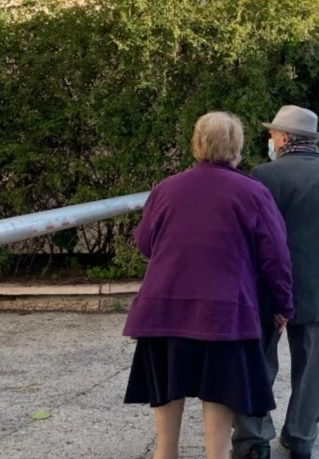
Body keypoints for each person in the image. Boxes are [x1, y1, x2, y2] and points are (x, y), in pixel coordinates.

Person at [123, 112, 294, 459]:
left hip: (164, 307)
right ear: (237, 147)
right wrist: (282, 305)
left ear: (196, 144)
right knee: (219, 394)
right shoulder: (253, 193)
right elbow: (275, 257)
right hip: (225, 314)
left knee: (168, 393)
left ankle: (165, 454)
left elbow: (144, 243)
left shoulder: (165, 189)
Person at [232, 105, 319, 459]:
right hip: (316, 288)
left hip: (264, 289)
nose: (270, 139)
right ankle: (300, 438)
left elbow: (246, 234)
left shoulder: (263, 175)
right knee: (310, 368)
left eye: (272, 134)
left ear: (283, 138)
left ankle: (253, 441)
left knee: (258, 363)